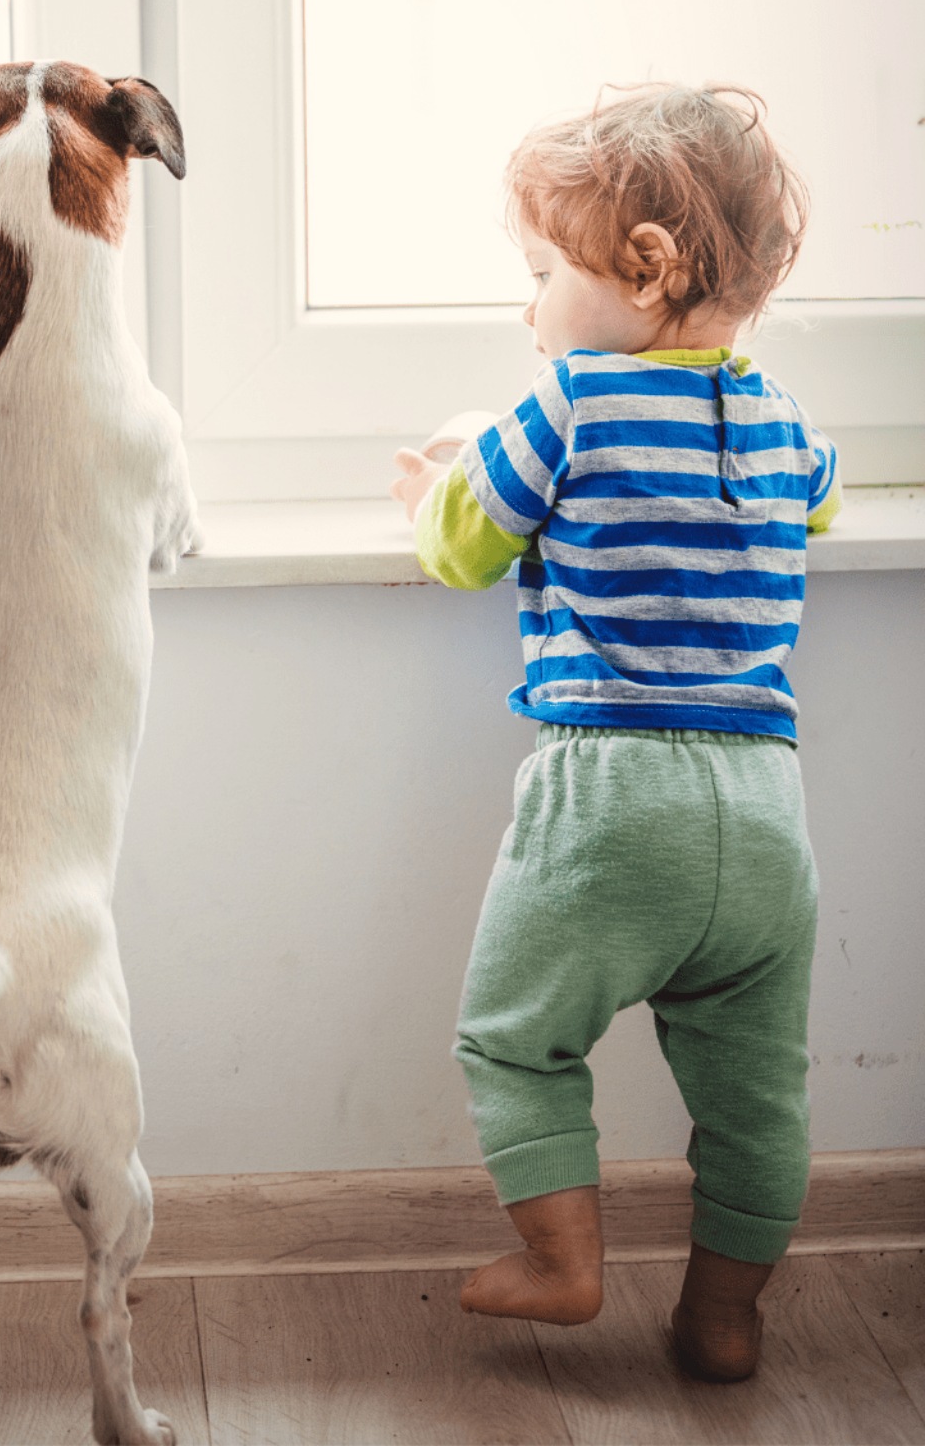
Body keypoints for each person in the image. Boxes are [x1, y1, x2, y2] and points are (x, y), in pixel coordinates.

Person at [390, 84, 841, 1383]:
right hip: (764, 816)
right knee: (759, 1100)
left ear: (645, 275)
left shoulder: (570, 403)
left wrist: (442, 481)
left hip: (609, 798)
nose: (529, 311)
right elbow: (819, 504)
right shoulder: (780, 424)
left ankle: (563, 1260)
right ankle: (723, 1314)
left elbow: (467, 550)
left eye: (541, 275)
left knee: (514, 1035)